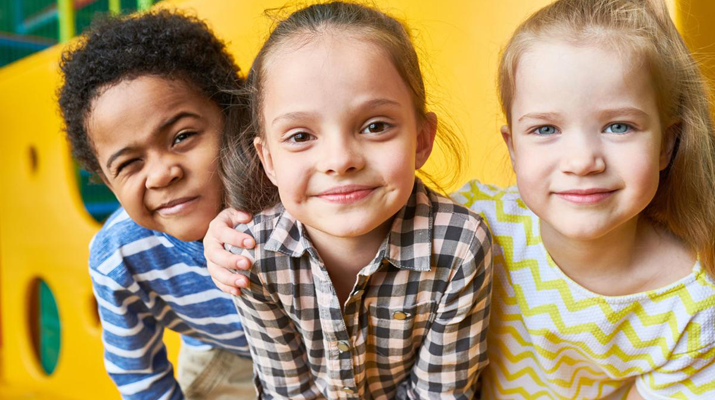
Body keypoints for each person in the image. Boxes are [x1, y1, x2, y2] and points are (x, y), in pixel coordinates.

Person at [207, 0, 715, 399]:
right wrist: (215, 236)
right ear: (511, 145)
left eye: (620, 126)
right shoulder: (490, 220)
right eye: (546, 129)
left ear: (670, 141)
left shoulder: (692, 309)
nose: (583, 160)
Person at [213, 2, 493, 398]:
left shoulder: (460, 245)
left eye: (375, 126)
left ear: (422, 140)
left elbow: (440, 392)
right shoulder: (252, 255)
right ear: (269, 161)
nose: (340, 160)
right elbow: (287, 391)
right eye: (300, 136)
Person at [58, 10, 254, 400]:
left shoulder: (287, 199)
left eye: (182, 137)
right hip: (228, 360)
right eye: (129, 164)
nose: (162, 174)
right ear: (107, 181)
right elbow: (139, 375)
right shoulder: (120, 254)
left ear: (234, 116)